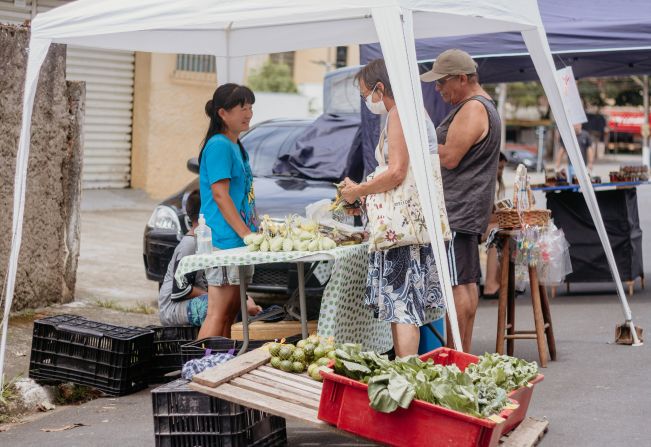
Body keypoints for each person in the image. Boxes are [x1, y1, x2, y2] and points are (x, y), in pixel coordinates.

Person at [340, 58, 444, 358]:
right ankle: (407, 370)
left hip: (403, 231)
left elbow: (397, 172)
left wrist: (359, 189)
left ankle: (406, 372)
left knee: (402, 308)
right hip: (414, 226)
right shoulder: (414, 113)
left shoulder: (400, 114)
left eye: (365, 94)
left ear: (380, 87)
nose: (366, 101)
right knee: (407, 306)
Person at [420, 49, 501, 352]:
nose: (438, 90)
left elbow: (451, 157)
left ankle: (456, 355)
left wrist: (421, 143)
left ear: (463, 79)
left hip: (456, 209)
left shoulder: (472, 109)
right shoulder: (482, 106)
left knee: (458, 285)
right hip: (467, 207)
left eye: (442, 83)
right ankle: (462, 352)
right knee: (465, 281)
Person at [197, 83, 258, 339]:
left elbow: (241, 195)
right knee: (218, 312)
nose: (248, 113)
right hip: (224, 240)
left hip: (237, 241)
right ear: (223, 113)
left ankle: (216, 364)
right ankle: (196, 369)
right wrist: (246, 234)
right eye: (242, 107)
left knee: (231, 311)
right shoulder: (219, 145)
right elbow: (220, 196)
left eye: (251, 107)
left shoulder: (235, 144)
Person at [158, 190, 261, 328]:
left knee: (231, 301)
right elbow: (181, 290)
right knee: (221, 304)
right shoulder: (189, 244)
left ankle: (231, 343)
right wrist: (215, 296)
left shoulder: (208, 241)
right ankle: (214, 345)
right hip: (173, 308)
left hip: (197, 299)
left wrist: (244, 299)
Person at [482, 152, 507, 299]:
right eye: (499, 168)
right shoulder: (486, 185)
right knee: (496, 232)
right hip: (474, 227)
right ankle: (491, 284)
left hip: (480, 225)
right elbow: (485, 217)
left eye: (503, 169)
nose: (501, 172)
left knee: (502, 230)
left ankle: (500, 281)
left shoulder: (495, 185)